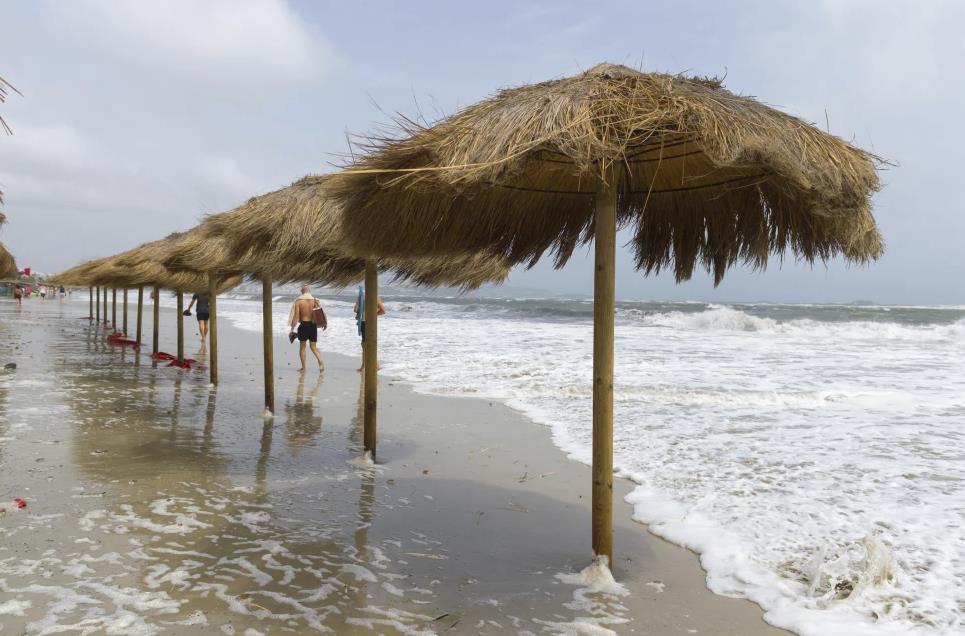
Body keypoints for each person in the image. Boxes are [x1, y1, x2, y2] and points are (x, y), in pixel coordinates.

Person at [288, 285, 325, 372]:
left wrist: (292, 329)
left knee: (302, 348)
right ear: (309, 291)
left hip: (304, 325)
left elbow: (296, 318)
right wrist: (325, 323)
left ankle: (304, 368)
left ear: (302, 291)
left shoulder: (298, 302)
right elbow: (321, 313)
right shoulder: (315, 300)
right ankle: (320, 361)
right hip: (313, 326)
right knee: (313, 347)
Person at [352, 285, 385, 371]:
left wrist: (362, 310)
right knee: (372, 343)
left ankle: (364, 366)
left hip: (364, 322)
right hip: (372, 323)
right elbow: (383, 310)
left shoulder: (361, 296)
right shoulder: (376, 297)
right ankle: (376, 365)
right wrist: (374, 314)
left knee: (364, 344)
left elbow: (355, 309)